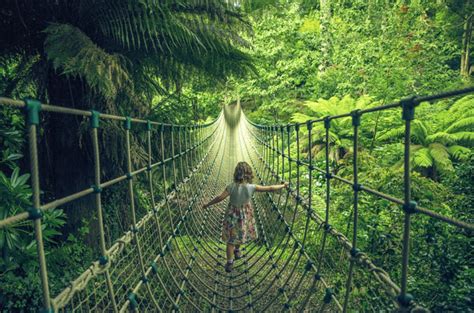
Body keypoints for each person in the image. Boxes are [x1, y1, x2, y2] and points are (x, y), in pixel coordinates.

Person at [202, 161, 288, 272]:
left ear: (235, 174)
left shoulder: (231, 187)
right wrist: (283, 185)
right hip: (244, 217)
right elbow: (270, 188)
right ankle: (237, 251)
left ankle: (229, 262)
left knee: (231, 240)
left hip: (232, 216)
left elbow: (220, 198)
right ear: (249, 174)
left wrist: (208, 204)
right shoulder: (252, 187)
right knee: (241, 234)